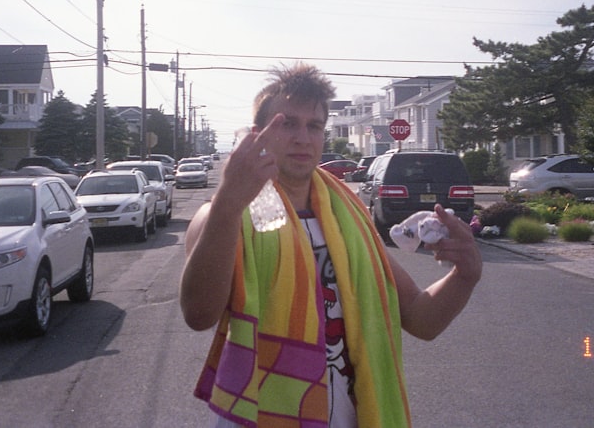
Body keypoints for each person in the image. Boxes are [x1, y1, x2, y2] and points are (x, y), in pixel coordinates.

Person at [180, 63, 481, 427]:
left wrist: (465, 275)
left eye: (314, 126)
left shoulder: (348, 218)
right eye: (287, 123)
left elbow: (420, 318)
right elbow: (198, 316)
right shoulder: (224, 214)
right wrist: (228, 206)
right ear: (258, 134)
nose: (302, 138)